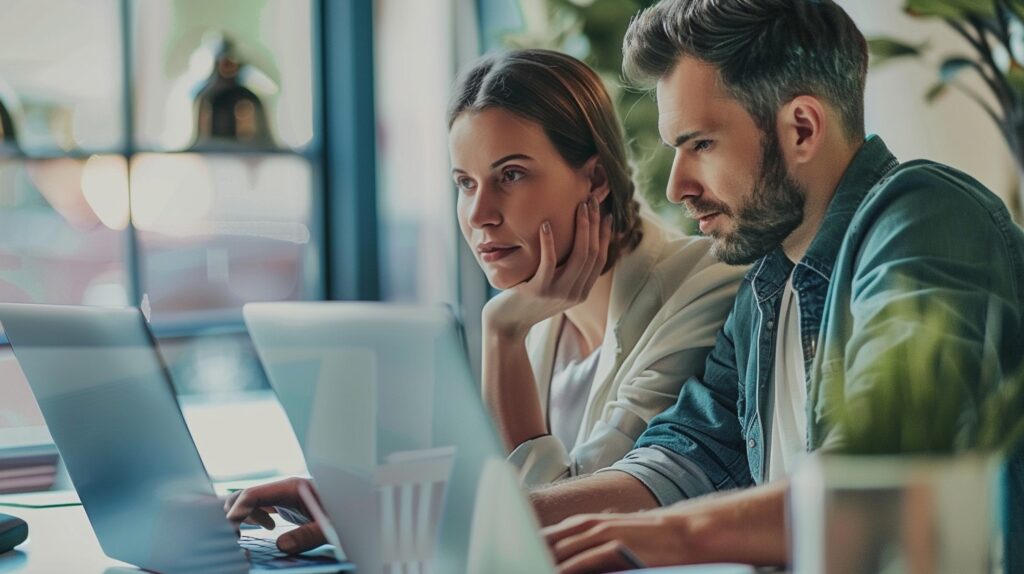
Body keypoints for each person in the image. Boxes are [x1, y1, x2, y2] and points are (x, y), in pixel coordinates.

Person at [530, 1, 1024, 572]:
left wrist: (671, 537)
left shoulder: (925, 218)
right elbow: (685, 456)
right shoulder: (764, 286)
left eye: (701, 145)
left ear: (802, 128)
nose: (676, 186)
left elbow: (878, 478)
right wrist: (516, 516)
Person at [223, 48, 745, 553]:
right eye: (465, 183)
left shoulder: (703, 286)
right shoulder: (540, 306)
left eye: (510, 175)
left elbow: (562, 513)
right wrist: (349, 500)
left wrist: (503, 333)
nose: (479, 214)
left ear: (596, 179)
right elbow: (484, 484)